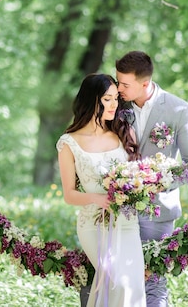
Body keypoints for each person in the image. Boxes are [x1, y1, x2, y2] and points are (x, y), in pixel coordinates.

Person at [115, 50, 188, 307]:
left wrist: (157, 181)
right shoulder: (114, 105)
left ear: (145, 83)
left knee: (153, 280)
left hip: (159, 211)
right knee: (120, 280)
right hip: (119, 208)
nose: (118, 87)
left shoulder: (178, 109)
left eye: (125, 84)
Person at [56, 73, 146, 307]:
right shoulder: (69, 143)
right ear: (92, 100)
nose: (114, 104)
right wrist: (99, 198)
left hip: (127, 223)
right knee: (117, 283)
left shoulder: (123, 133)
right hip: (94, 224)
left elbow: (137, 176)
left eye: (116, 98)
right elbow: (69, 194)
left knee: (132, 287)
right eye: (107, 99)